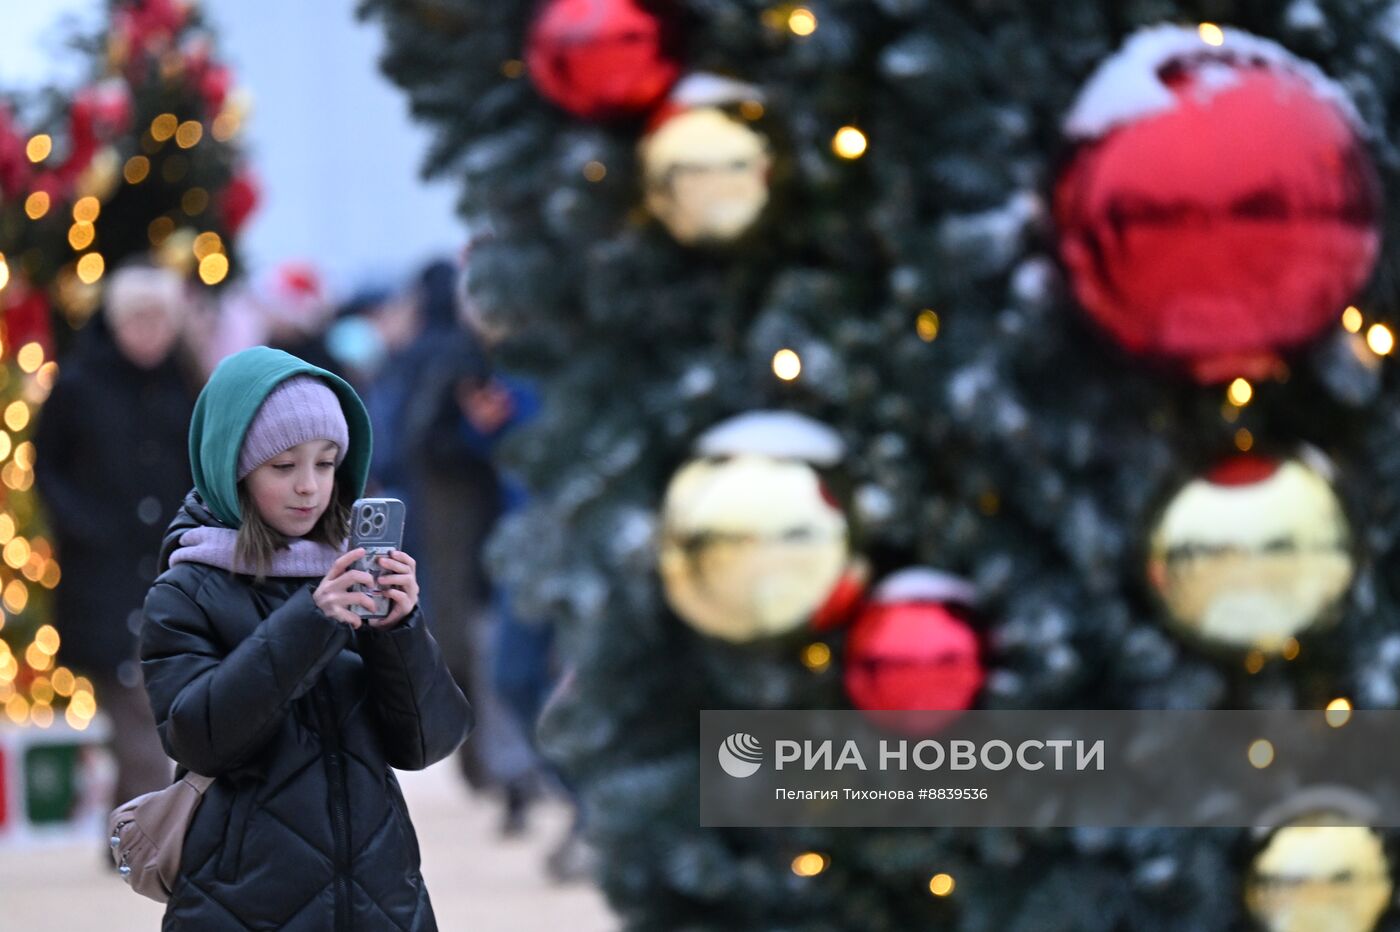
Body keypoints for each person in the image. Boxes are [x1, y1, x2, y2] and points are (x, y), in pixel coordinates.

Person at [138, 346, 472, 930]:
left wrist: (401, 629)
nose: (309, 488)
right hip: (241, 904)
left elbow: (427, 743)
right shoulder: (187, 588)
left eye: (325, 463)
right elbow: (197, 737)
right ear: (231, 468)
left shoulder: (352, 570)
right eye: (283, 466)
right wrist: (310, 622)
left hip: (380, 900)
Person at [33, 260, 198, 851]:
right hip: (99, 579)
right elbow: (46, 467)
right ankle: (148, 841)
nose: (149, 332)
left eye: (160, 319)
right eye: (138, 319)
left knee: (156, 708)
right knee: (134, 705)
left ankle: (127, 832)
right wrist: (83, 526)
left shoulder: (187, 381)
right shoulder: (78, 385)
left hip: (170, 570)